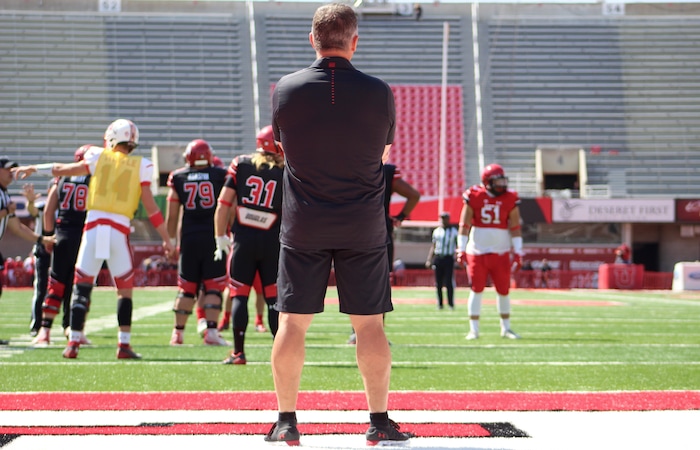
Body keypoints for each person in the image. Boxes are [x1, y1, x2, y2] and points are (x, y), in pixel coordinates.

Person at [265, 4, 413, 446]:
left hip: (304, 221)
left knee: (292, 323)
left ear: (312, 40)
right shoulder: (379, 91)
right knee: (370, 325)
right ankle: (378, 420)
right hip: (362, 223)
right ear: (354, 41)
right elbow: (383, 155)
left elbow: (284, 148)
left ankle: (287, 421)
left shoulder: (286, 89)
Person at [13, 119, 175, 359]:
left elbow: (62, 169)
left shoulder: (98, 156)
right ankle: (124, 344)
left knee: (82, 284)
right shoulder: (142, 165)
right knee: (124, 290)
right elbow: (151, 208)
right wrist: (166, 239)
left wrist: (35, 168)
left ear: (111, 137)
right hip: (119, 230)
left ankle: (73, 342)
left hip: (94, 228)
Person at [214, 125, 283, 365]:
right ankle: (280, 354)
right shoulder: (286, 170)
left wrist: (219, 236)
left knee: (239, 294)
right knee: (274, 297)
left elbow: (223, 204)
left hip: (243, 239)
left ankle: (238, 352)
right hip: (272, 241)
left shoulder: (242, 164)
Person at [165, 139, 229, 347]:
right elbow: (229, 205)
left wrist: (171, 240)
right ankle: (211, 331)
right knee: (213, 287)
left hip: (190, 238)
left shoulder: (179, 177)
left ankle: (178, 334)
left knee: (187, 288)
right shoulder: (220, 175)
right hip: (213, 238)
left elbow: (172, 215)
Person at [347, 162, 420, 344]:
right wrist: (400, 217)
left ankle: (356, 332)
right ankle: (376, 332)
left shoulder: (346, 167)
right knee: (380, 284)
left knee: (355, 283)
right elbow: (414, 195)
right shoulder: (386, 171)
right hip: (380, 233)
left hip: (351, 231)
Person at [31, 146, 93, 345]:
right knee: (80, 284)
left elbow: (49, 211)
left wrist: (49, 236)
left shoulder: (62, 179)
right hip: (85, 235)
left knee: (56, 282)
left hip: (63, 234)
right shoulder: (94, 178)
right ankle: (73, 328)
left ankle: (45, 330)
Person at [456, 163, 523, 340]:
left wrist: (518, 251)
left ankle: (506, 328)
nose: (502, 184)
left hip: (500, 251)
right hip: (477, 251)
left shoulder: (510, 198)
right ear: (487, 182)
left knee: (503, 290)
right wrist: (461, 249)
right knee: (476, 289)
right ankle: (474, 330)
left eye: (503, 180)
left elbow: (515, 227)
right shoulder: (474, 195)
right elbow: (464, 226)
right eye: (498, 180)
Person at [0, 157, 56, 345]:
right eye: (8, 169)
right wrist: (4, 211)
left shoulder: (5, 195)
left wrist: (41, 239)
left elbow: (17, 228)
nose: (12, 173)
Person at [24, 182, 51, 337]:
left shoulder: (65, 207)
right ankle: (36, 324)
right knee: (41, 287)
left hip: (59, 250)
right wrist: (30, 201)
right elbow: (33, 210)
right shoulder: (43, 206)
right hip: (42, 249)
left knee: (66, 288)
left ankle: (67, 324)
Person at [425, 211, 458, 310]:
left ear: (448, 219)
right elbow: (433, 246)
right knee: (438, 282)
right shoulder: (436, 231)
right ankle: (440, 304)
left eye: (445, 218)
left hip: (448, 258)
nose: (443, 220)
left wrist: (458, 257)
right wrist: (429, 259)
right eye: (442, 218)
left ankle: (451, 304)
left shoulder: (453, 231)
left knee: (449, 282)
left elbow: (457, 245)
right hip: (438, 258)